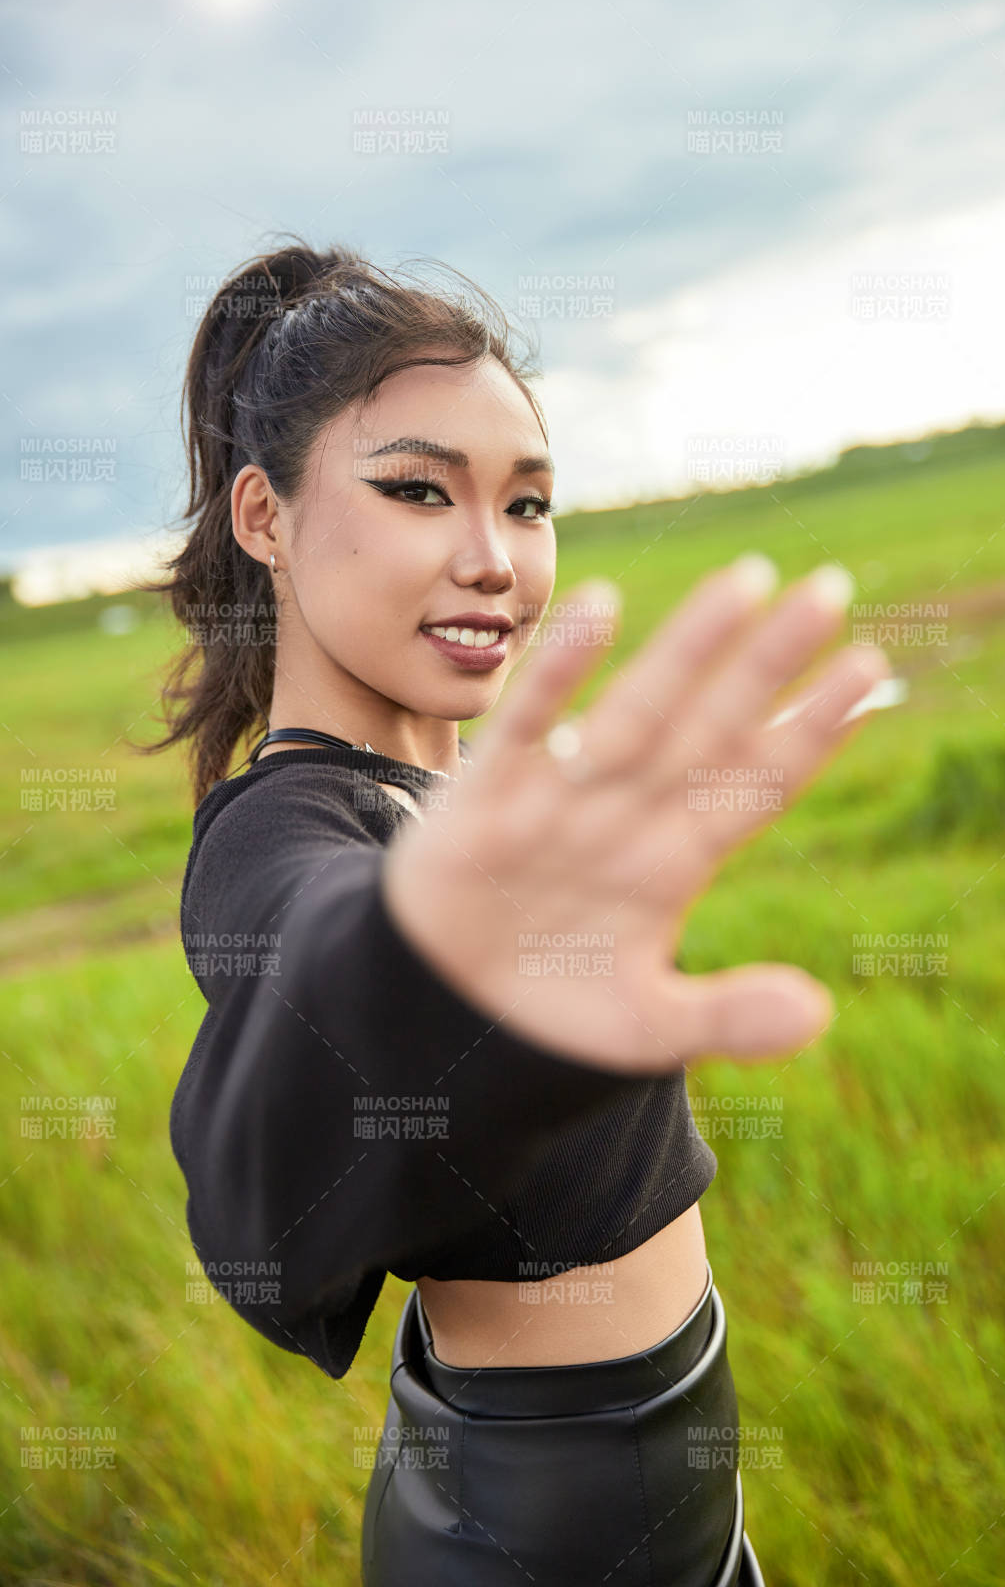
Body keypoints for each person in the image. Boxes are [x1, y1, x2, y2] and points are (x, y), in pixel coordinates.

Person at [139, 240, 891, 1585]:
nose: (494, 559)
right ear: (266, 518)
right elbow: (293, 1044)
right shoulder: (283, 833)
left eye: (530, 504)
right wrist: (426, 957)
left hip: (675, 1492)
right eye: (420, 490)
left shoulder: (484, 796)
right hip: (528, 1537)